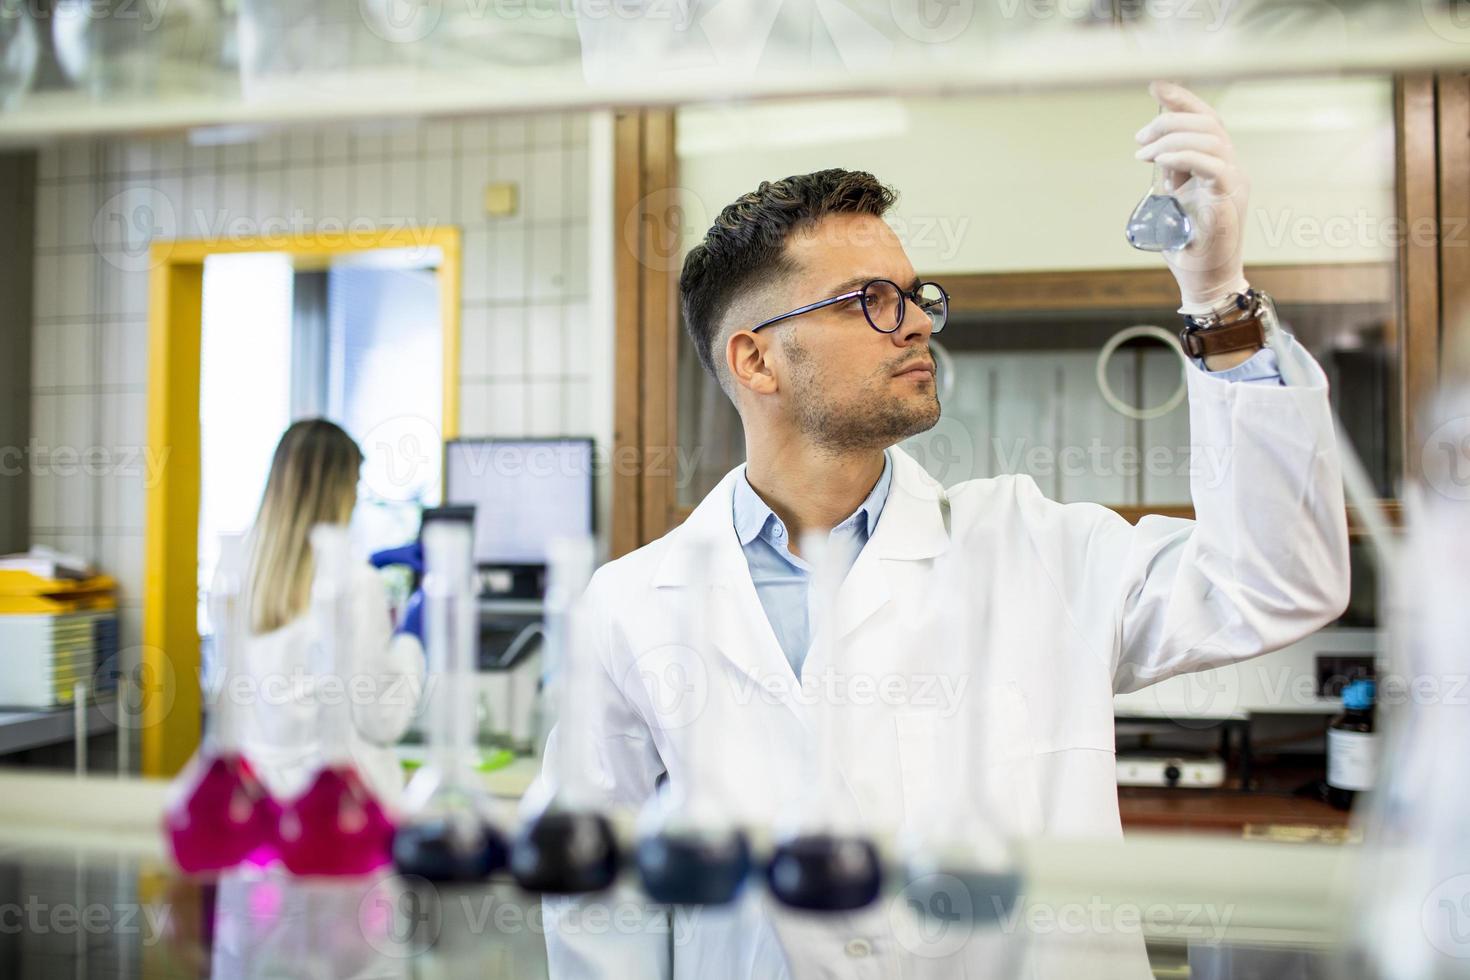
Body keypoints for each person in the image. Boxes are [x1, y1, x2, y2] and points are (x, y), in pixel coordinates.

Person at [540, 81, 1350, 978]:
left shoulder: (1037, 550)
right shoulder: (631, 606)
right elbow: (590, 892)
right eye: (869, 300)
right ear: (756, 357)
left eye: (915, 293)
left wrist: (1218, 298)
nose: (918, 321)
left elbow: (1280, 581)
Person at [238, 418, 424, 806]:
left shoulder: (243, 572)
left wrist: (369, 564)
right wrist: (413, 637)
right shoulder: (356, 584)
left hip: (263, 805)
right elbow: (382, 720)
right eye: (353, 486)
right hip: (338, 811)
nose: (356, 501)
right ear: (336, 491)